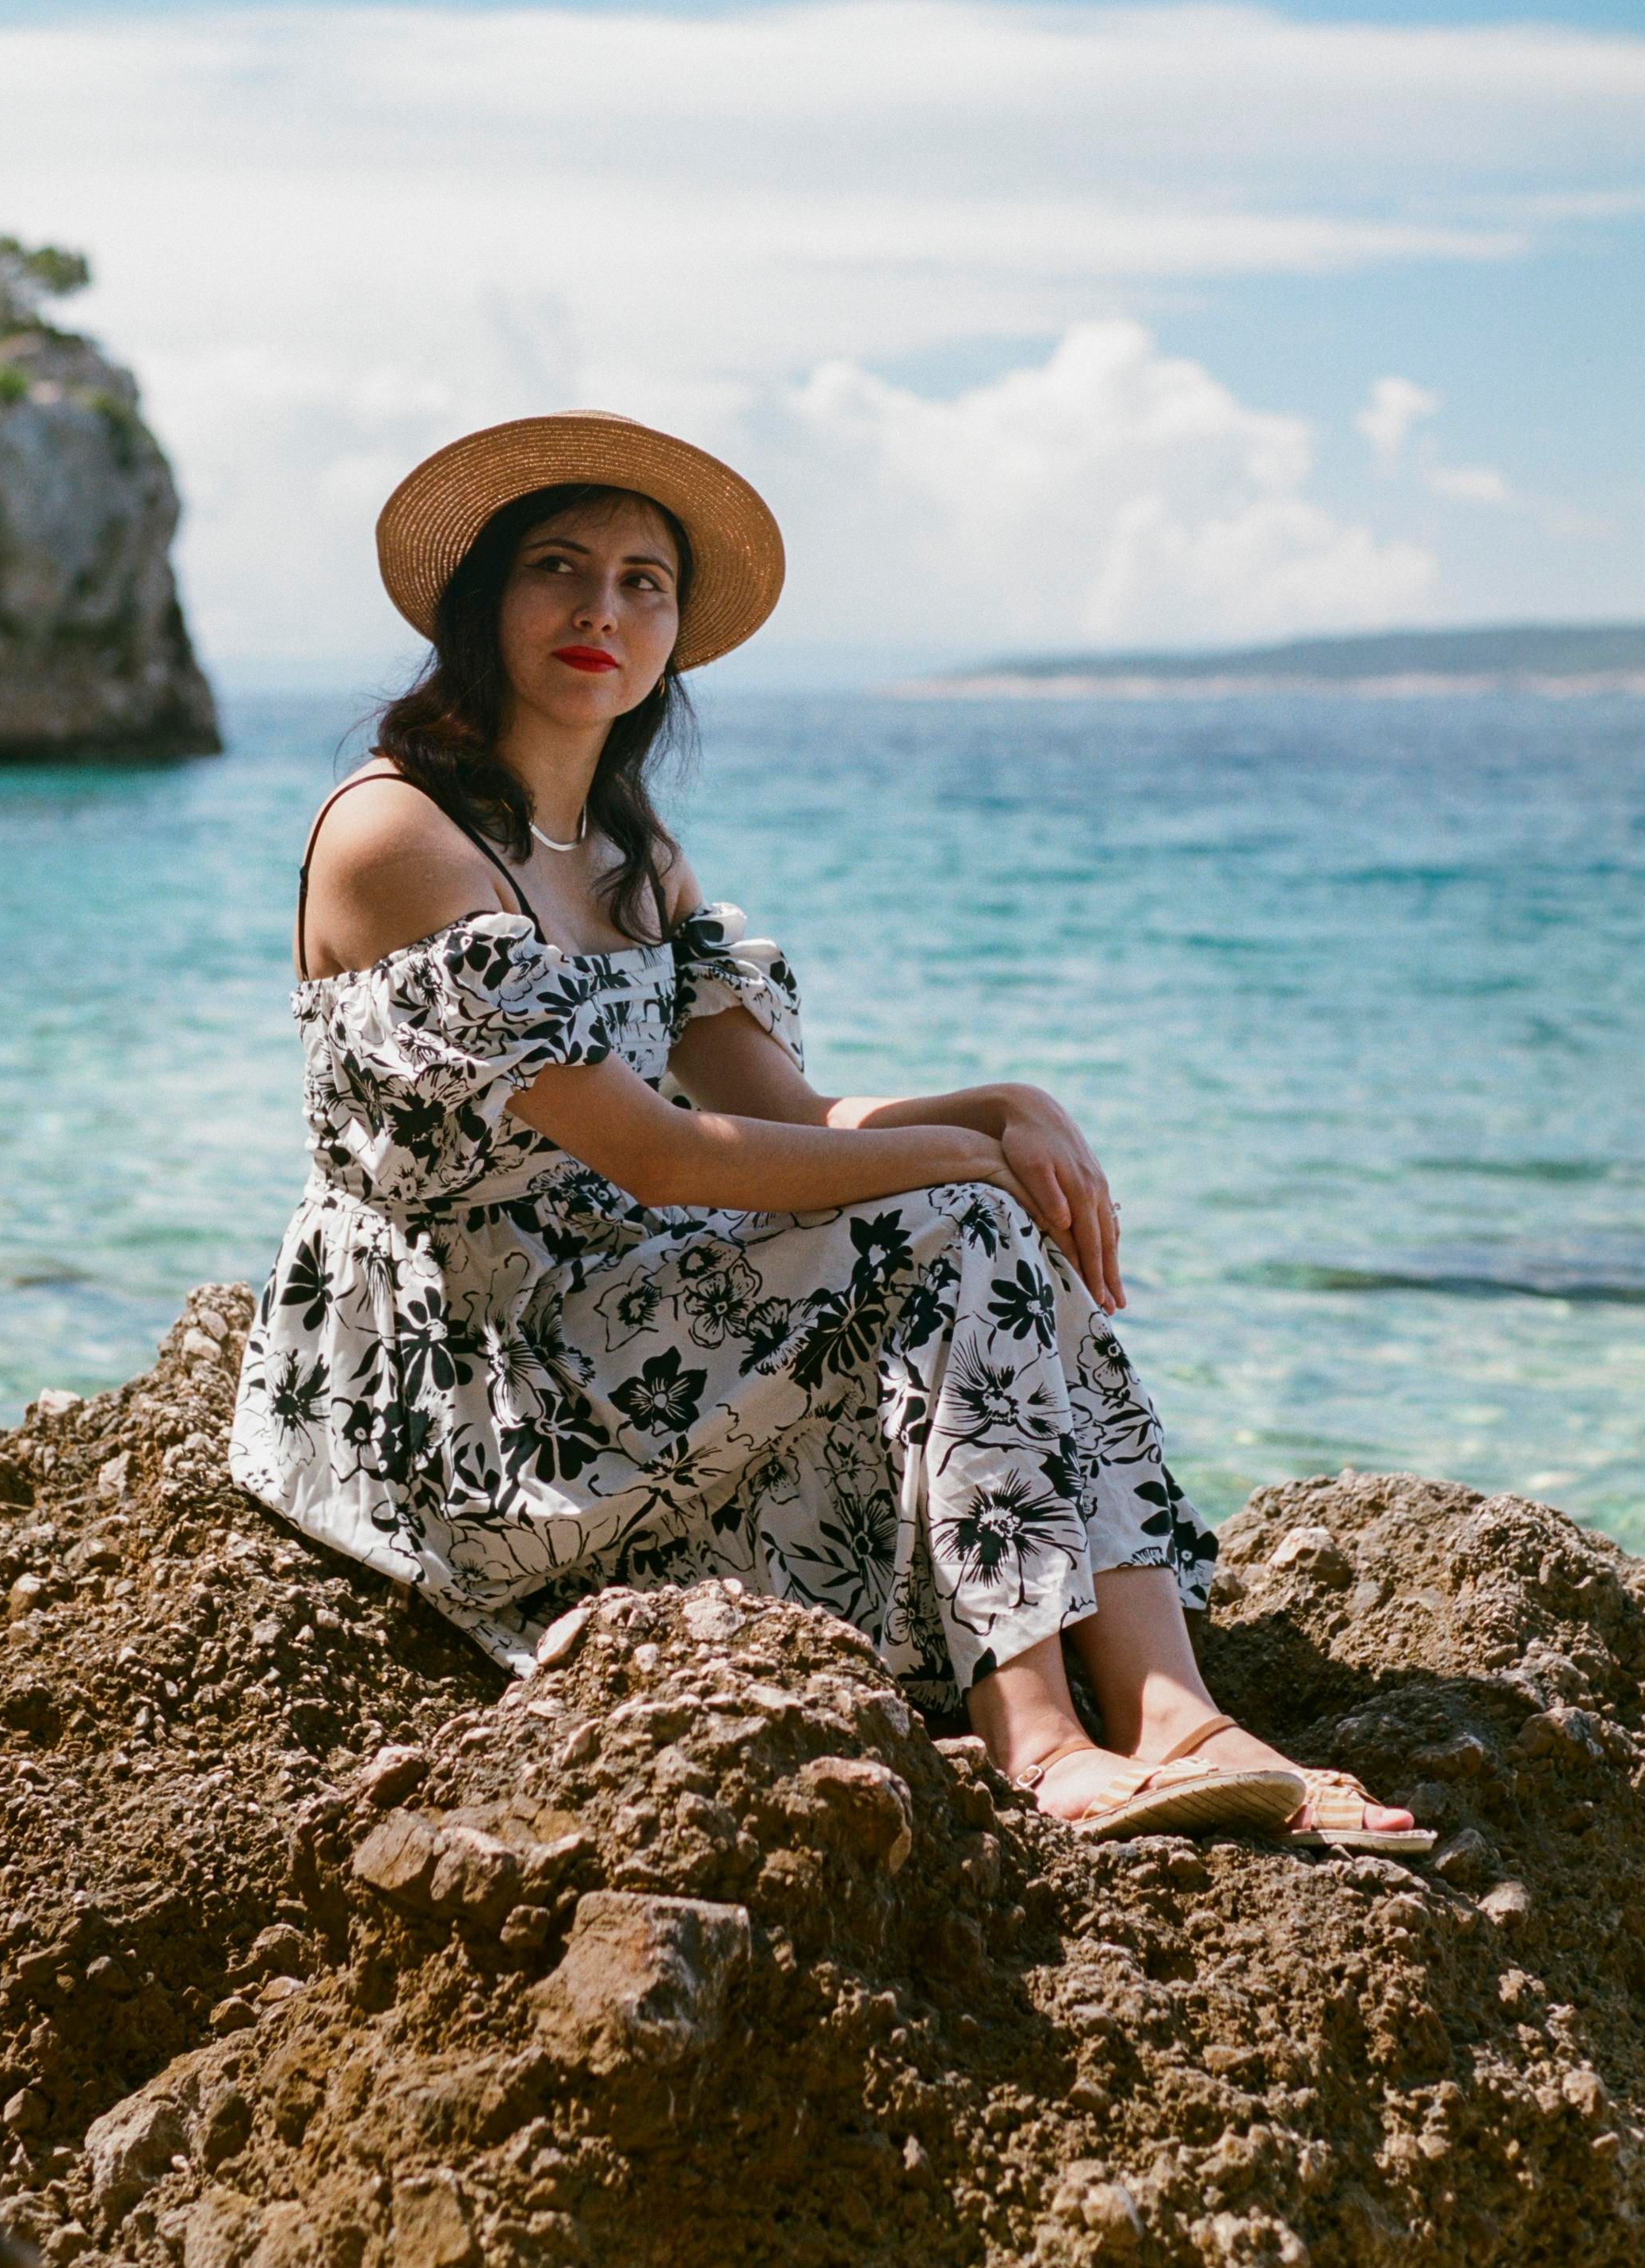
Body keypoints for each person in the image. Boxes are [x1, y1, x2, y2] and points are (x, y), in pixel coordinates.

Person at [232, 414, 1426, 1853]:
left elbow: (783, 1117)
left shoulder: (630, 856)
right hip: (471, 1373)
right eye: (558, 568)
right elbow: (670, 1158)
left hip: (622, 1301)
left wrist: (999, 1110)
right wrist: (968, 1167)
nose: (602, 610)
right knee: (966, 1216)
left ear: (674, 632)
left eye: (642, 581)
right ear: (482, 602)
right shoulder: (397, 835)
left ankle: (1175, 1710)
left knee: (981, 1208)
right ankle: (1041, 1742)